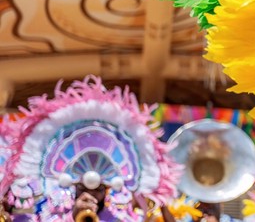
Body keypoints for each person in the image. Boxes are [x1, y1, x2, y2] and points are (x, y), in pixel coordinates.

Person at [0, 76, 181, 222]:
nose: (91, 194)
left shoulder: (119, 217)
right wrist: (73, 215)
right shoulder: (52, 213)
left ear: (107, 189)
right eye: (81, 188)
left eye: (99, 189)